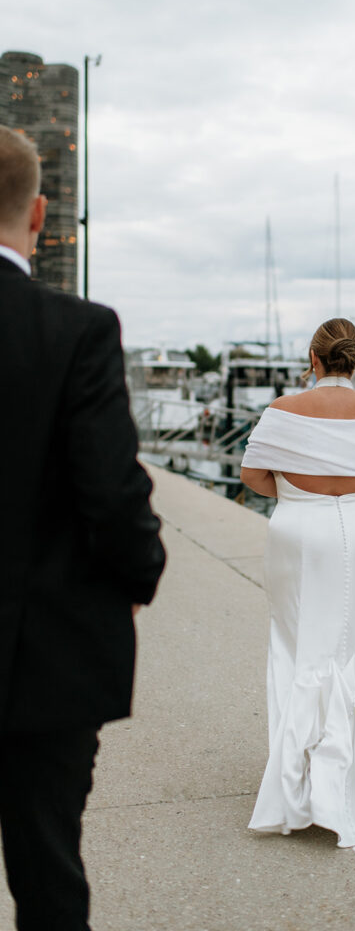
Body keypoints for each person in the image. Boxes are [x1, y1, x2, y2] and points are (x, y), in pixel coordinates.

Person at [0, 124, 166, 930]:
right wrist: (137, 577)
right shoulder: (79, 331)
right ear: (37, 217)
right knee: (49, 872)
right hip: (48, 660)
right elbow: (110, 490)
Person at [241, 318, 355, 847]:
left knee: (297, 644)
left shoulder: (282, 410)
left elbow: (252, 476)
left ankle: (300, 772)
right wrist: (350, 496)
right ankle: (351, 763)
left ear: (313, 359)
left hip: (298, 529)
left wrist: (297, 495)